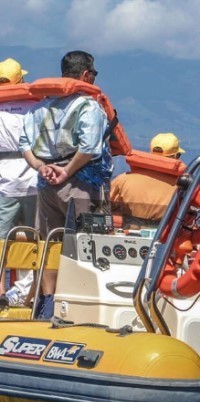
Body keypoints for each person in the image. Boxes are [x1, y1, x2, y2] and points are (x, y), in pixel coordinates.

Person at [19, 50, 112, 318]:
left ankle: (47, 304)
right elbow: (89, 147)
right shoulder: (88, 106)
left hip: (46, 185)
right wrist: (66, 171)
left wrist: (42, 167)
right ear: (85, 74)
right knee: (89, 244)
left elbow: (26, 145)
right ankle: (84, 306)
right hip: (82, 184)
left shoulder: (40, 107)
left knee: (51, 242)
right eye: (93, 73)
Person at [0, 58, 38, 308]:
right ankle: (31, 294)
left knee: (1, 240)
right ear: (20, 81)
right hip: (34, 177)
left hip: (3, 179)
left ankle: (1, 292)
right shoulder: (36, 106)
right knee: (34, 237)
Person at [109, 132, 184, 227]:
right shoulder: (182, 187)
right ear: (176, 156)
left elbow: (103, 204)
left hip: (129, 234)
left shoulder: (123, 179)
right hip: (164, 238)